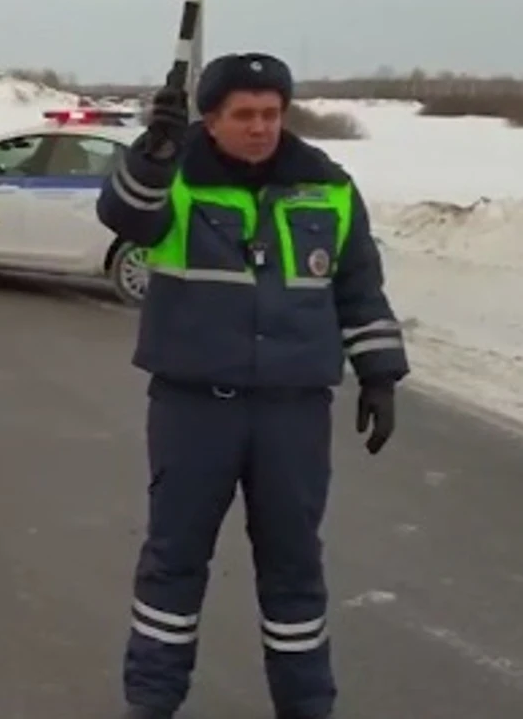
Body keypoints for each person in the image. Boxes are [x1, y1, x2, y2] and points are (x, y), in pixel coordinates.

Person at [95, 52, 406, 719]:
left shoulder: (328, 188)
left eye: (272, 113)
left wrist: (380, 373)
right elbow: (122, 215)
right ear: (212, 120)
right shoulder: (177, 182)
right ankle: (150, 704)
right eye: (245, 115)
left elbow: (359, 290)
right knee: (173, 564)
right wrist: (151, 153)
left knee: (295, 572)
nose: (261, 127)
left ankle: (306, 707)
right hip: (192, 409)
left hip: (292, 415)